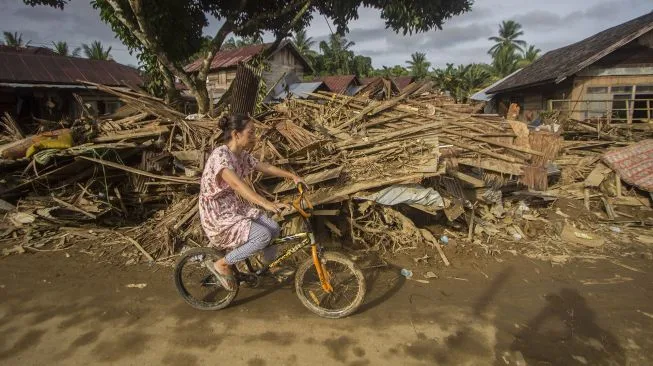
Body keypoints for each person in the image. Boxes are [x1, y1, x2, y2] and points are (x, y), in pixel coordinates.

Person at [199, 113, 303, 291]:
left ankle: (271, 266)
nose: (254, 136)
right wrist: (266, 203)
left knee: (273, 227)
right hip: (217, 214)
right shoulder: (220, 156)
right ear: (236, 134)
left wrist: (292, 176)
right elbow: (237, 185)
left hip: (232, 206)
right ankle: (222, 264)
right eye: (251, 132)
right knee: (262, 235)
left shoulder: (241, 155)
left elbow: (264, 166)